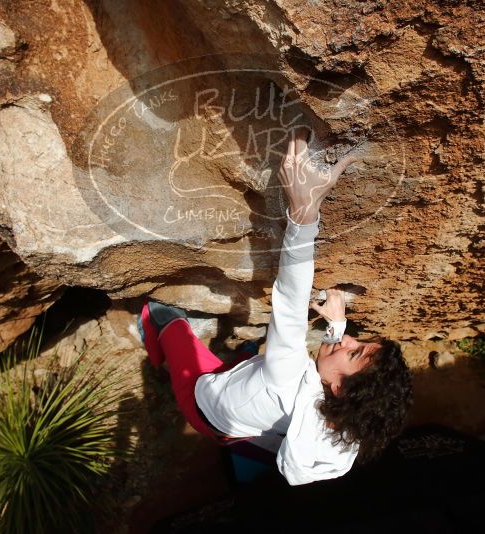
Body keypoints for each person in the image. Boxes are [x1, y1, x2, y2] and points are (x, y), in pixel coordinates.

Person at [138, 127, 413, 485]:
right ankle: (240, 359)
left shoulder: (285, 377)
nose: (349, 341)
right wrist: (337, 329)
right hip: (236, 427)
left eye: (353, 352)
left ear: (340, 389)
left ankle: (155, 341)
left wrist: (304, 211)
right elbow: (317, 367)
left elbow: (291, 299)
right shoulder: (336, 420)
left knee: (168, 318)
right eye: (359, 343)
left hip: (201, 402)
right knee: (247, 359)